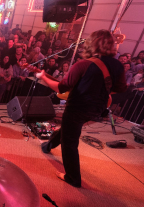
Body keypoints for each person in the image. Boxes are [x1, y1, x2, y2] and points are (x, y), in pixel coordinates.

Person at [36, 30, 126, 188]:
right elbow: (120, 88)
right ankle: (47, 146)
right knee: (68, 130)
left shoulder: (83, 64)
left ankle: (72, 178)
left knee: (69, 142)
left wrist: (43, 77)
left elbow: (60, 88)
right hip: (98, 108)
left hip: (77, 107)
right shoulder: (117, 65)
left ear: (91, 44)